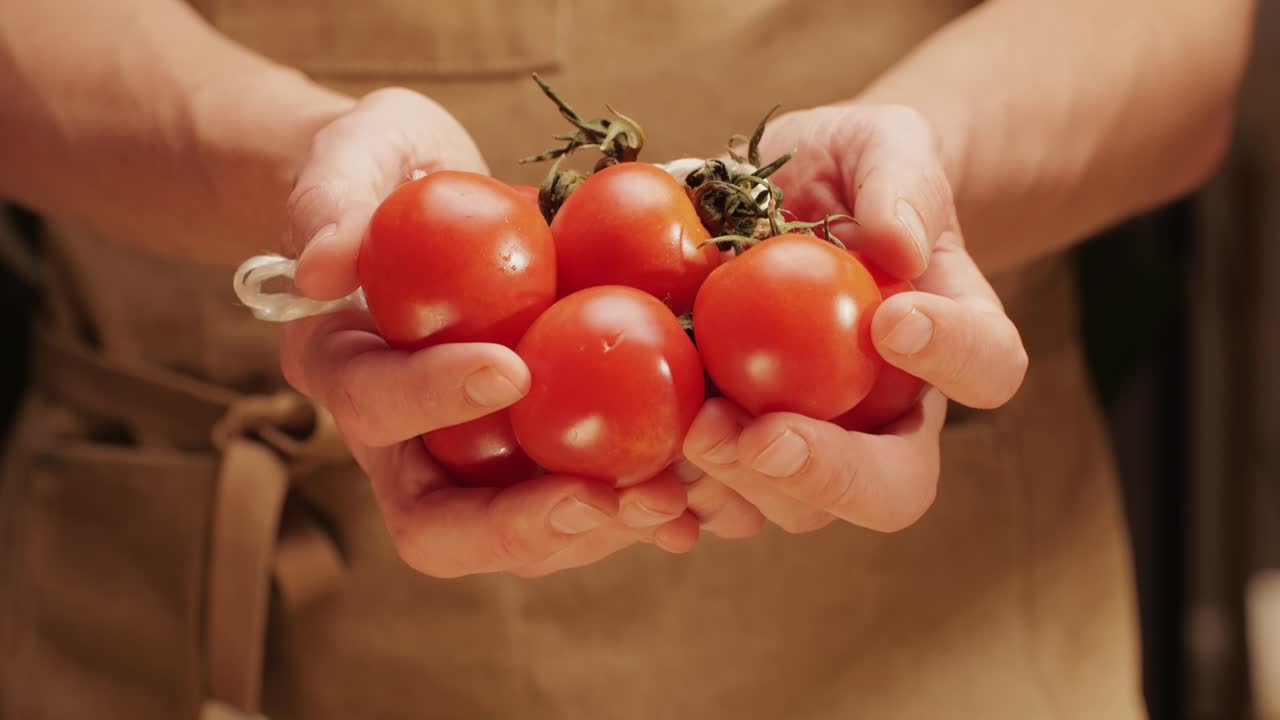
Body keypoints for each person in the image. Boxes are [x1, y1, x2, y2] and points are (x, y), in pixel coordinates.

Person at [0, 0, 1254, 718]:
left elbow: (1176, 37)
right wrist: (307, 175)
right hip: (189, 608)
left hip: (925, 637)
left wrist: (906, 210)